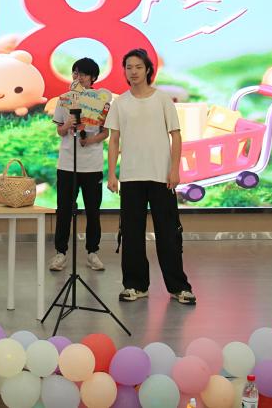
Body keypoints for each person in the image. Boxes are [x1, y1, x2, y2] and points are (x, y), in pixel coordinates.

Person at [105, 48, 196, 305]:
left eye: (138, 67)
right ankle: (135, 285)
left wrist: (175, 169)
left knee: (168, 234)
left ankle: (179, 287)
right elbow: (114, 140)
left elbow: (176, 135)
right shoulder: (120, 103)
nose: (133, 72)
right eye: (128, 67)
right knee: (131, 234)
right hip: (131, 177)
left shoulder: (163, 99)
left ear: (148, 70)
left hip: (161, 177)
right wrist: (112, 174)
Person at [50, 57, 109, 272]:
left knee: (93, 211)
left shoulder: (101, 101)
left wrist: (90, 140)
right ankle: (61, 253)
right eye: (75, 73)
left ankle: (92, 252)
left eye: (83, 74)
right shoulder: (64, 99)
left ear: (93, 78)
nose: (78, 77)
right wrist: (68, 124)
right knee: (64, 210)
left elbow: (105, 132)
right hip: (67, 164)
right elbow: (59, 131)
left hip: (92, 165)